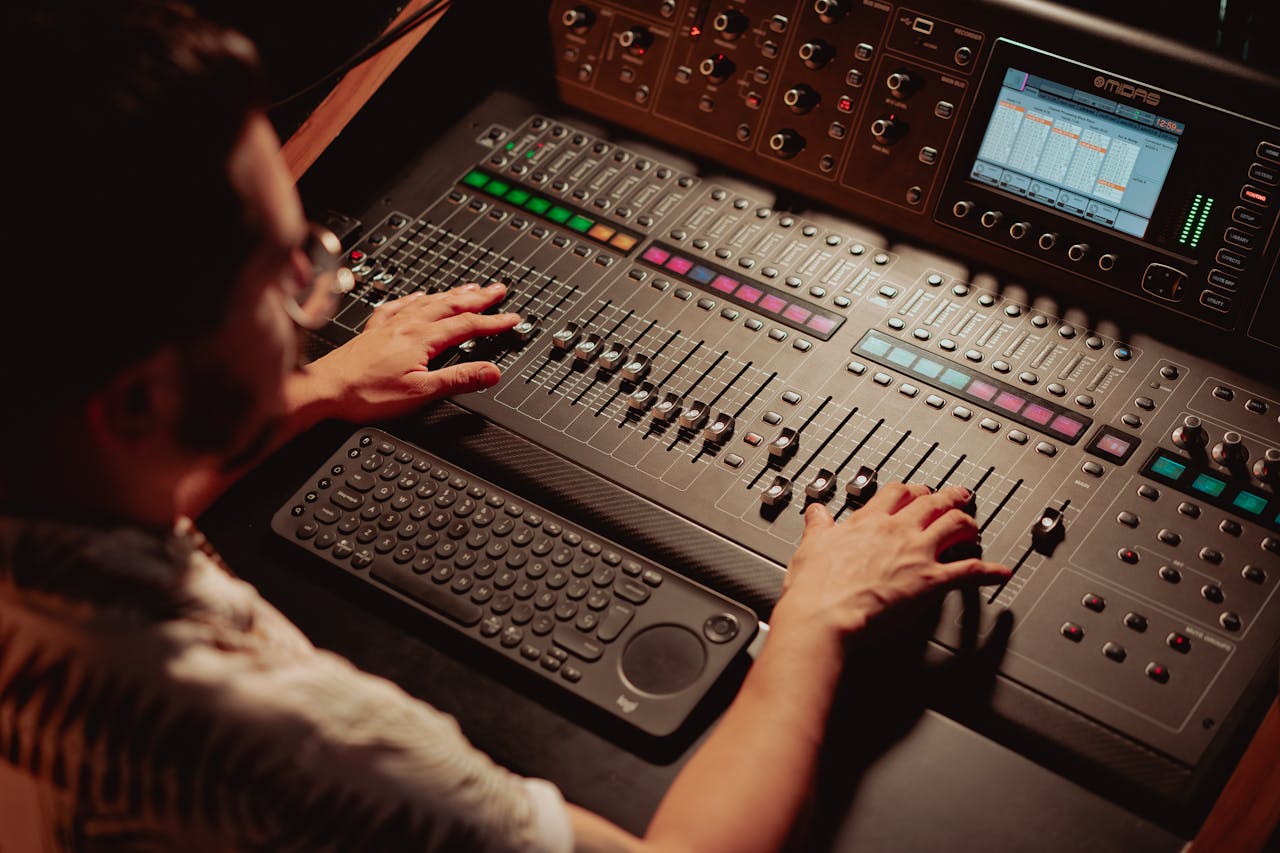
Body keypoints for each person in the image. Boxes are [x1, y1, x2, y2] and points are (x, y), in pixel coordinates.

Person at [0, 2, 1011, 850]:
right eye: (285, 275)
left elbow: (107, 480)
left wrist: (312, 388)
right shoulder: (288, 743)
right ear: (138, 404)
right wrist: (811, 622)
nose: (329, 287)